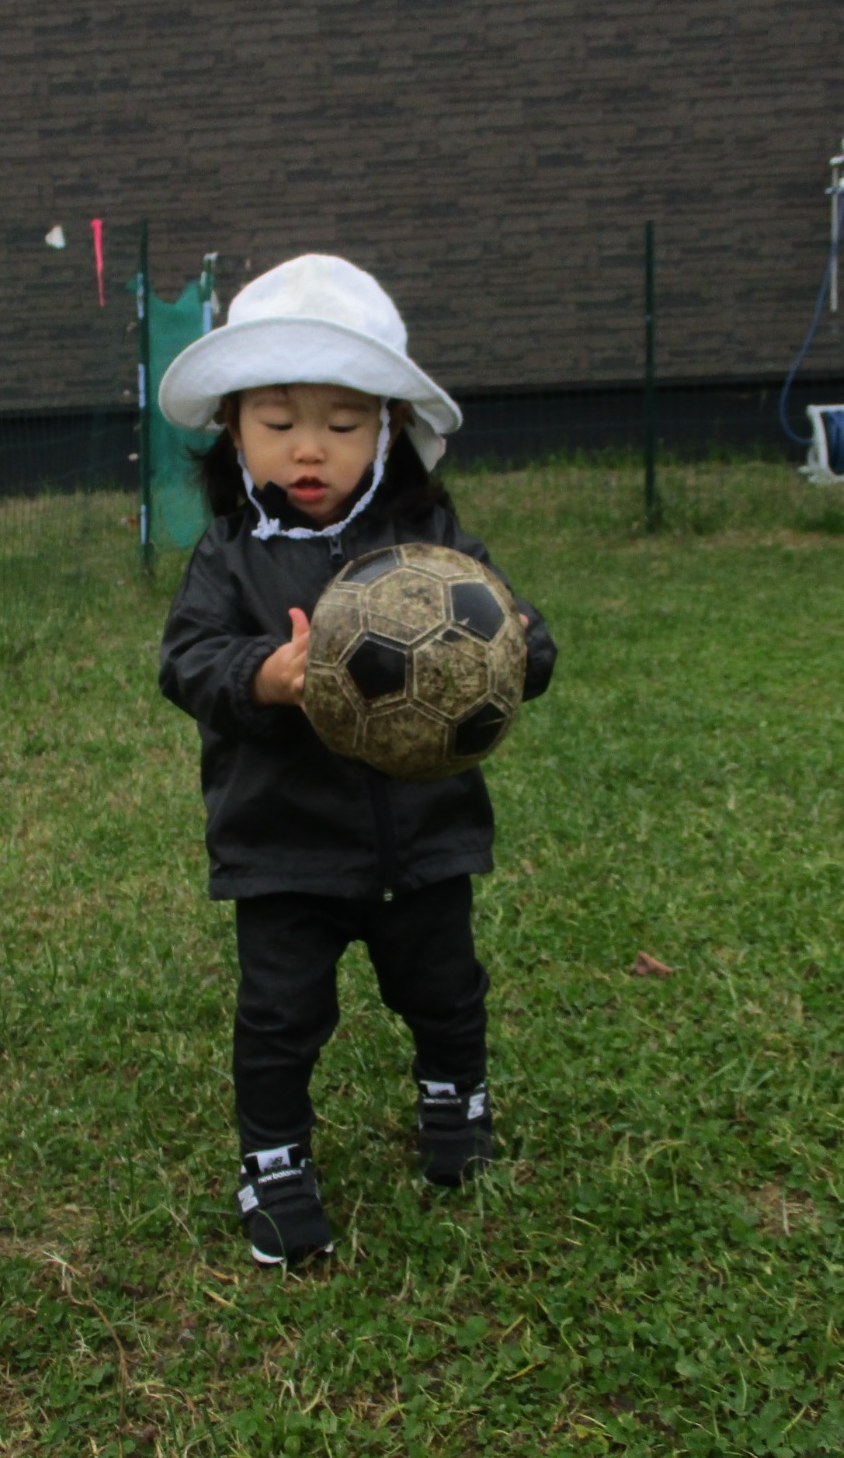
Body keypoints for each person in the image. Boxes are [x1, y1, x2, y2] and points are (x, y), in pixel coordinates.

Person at [156, 254, 558, 1267]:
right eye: (277, 421)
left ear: (385, 431)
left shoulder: (426, 545)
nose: (308, 448)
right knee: (280, 1015)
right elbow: (188, 663)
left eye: (341, 423)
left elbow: (510, 634)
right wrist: (267, 674)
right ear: (233, 432)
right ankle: (275, 1158)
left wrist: (519, 645)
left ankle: (452, 1102)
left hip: (424, 840)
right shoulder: (227, 556)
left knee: (444, 986)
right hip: (284, 849)